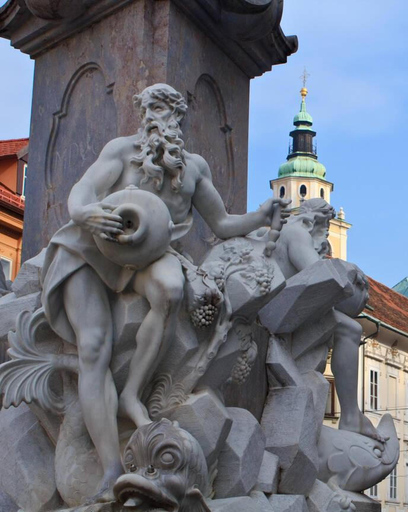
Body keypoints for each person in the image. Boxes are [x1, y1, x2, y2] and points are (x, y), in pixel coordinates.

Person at [41, 83, 289, 502]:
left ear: (182, 120)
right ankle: (110, 468)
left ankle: (132, 393)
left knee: (171, 288)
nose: (165, 117)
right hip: (92, 250)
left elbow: (223, 224)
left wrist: (259, 215)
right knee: (93, 347)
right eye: (156, 108)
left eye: (173, 110)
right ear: (143, 114)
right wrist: (86, 213)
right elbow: (81, 193)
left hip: (150, 254)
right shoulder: (121, 152)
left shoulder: (192, 169)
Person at [272, 198, 384, 443]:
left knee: (347, 327)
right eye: (324, 226)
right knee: (350, 329)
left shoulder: (287, 232)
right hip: (274, 311)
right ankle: (351, 416)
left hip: (282, 306)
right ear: (315, 220)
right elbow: (319, 277)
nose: (325, 235)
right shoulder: (297, 232)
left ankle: (352, 415)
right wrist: (349, 270)